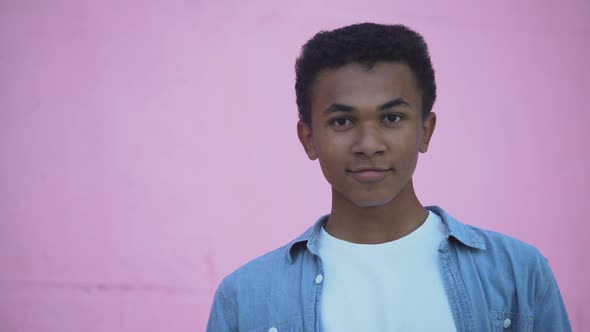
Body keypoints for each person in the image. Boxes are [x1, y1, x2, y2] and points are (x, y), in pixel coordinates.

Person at [206, 23, 571, 332]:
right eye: (342, 121)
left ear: (425, 131)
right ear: (309, 138)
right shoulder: (244, 299)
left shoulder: (518, 273)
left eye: (392, 118)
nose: (369, 144)